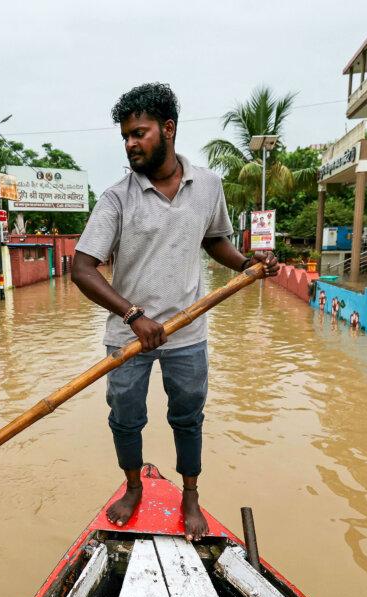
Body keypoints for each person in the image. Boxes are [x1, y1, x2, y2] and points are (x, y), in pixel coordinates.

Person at [71, 83, 278, 541]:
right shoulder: (116, 198)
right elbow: (82, 269)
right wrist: (132, 316)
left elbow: (214, 240)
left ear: (168, 129)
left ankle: (190, 494)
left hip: (187, 333)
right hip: (129, 336)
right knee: (125, 418)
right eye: (125, 136)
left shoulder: (207, 186)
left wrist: (247, 265)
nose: (130, 144)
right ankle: (131, 487)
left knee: (188, 417)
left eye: (139, 133)